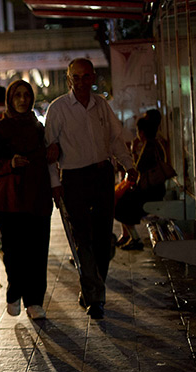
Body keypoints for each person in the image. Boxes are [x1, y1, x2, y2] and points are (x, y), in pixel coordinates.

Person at [45, 58, 137, 320]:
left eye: (86, 77)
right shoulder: (59, 108)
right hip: (74, 178)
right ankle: (95, 296)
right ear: (68, 79)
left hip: (102, 174)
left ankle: (94, 289)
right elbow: (50, 151)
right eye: (77, 77)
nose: (82, 82)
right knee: (82, 238)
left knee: (103, 238)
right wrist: (55, 184)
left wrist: (129, 165)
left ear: (93, 77)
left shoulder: (100, 105)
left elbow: (115, 140)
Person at [0, 80, 54, 320]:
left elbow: (46, 158)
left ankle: (35, 302)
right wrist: (9, 164)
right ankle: (15, 291)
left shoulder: (38, 127)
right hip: (9, 200)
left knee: (38, 251)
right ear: (11, 99)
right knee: (13, 252)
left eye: (26, 95)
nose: (22, 100)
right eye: (18, 96)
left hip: (38, 197)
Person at [115, 115, 169, 250]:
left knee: (120, 204)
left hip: (151, 192)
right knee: (123, 200)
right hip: (156, 189)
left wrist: (133, 154)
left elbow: (138, 169)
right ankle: (132, 237)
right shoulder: (156, 144)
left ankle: (135, 238)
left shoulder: (149, 147)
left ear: (142, 132)